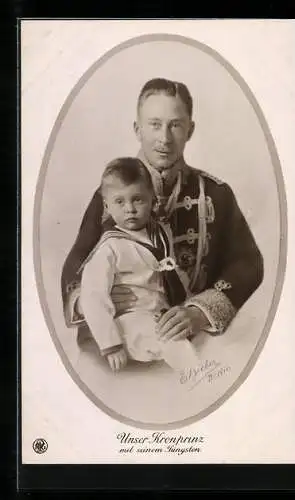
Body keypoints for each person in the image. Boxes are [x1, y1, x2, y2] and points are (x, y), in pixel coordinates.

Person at [61, 77, 264, 353]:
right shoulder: (111, 195)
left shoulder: (217, 194)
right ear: (137, 129)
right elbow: (77, 259)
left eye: (175, 125)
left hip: (194, 346)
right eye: (155, 124)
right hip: (116, 345)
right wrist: (85, 300)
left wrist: (199, 312)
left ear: (190, 130)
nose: (164, 138)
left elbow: (248, 264)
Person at [79, 157, 199, 372]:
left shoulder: (159, 233)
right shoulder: (110, 247)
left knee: (192, 345)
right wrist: (111, 345)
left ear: (152, 200)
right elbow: (93, 296)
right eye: (120, 202)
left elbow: (170, 272)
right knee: (183, 353)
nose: (130, 209)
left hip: (158, 315)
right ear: (106, 206)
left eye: (138, 200)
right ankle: (199, 388)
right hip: (130, 321)